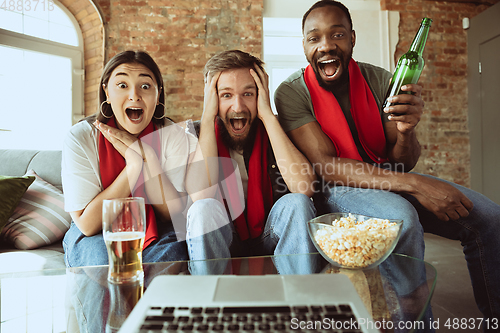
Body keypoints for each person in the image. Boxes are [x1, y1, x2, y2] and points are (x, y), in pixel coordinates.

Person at [274, 0, 500, 326]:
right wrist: (420, 185)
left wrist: (407, 132)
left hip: (387, 176)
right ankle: (416, 326)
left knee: (491, 218)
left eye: (337, 34)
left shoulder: (380, 80)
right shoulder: (292, 92)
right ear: (305, 45)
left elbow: (402, 160)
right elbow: (327, 166)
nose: (326, 45)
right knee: (401, 219)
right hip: (338, 189)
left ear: (352, 38)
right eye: (314, 38)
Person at [185, 50, 320, 274]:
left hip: (269, 234)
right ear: (211, 97)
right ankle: (209, 301)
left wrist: (267, 115)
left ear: (261, 94)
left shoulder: (276, 129)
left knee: (297, 203)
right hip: (225, 238)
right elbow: (201, 196)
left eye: (248, 94)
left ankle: (300, 298)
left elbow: (304, 187)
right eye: (226, 95)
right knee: (202, 209)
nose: (238, 107)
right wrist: (208, 118)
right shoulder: (197, 133)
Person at [62, 50, 197, 267]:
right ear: (106, 91)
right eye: (122, 85)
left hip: (157, 228)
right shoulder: (81, 137)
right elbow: (87, 225)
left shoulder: (172, 134)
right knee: (102, 266)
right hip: (95, 232)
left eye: (145, 86)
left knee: (170, 260)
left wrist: (149, 157)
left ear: (158, 94)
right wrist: (134, 165)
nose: (135, 95)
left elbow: (171, 214)